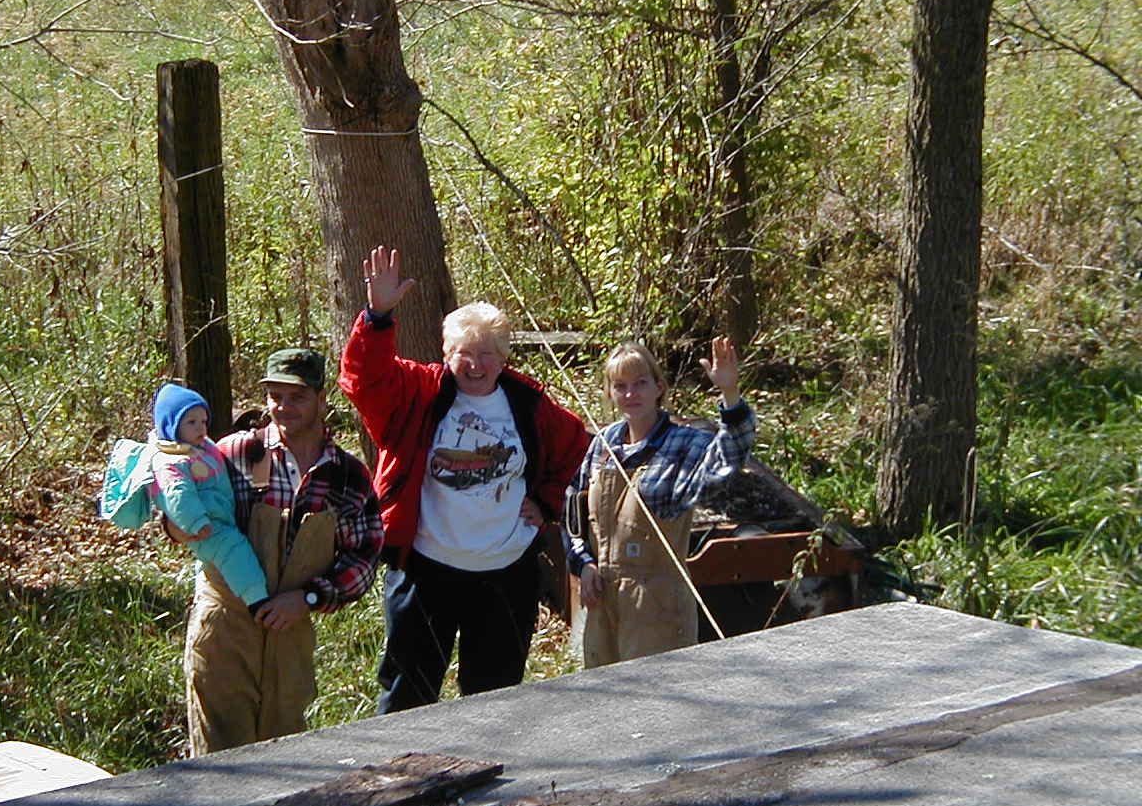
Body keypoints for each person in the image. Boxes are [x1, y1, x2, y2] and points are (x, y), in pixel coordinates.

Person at [339, 246, 589, 713]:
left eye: (486, 354)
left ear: (504, 357)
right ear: (445, 353)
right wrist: (377, 318)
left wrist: (546, 502)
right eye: (464, 353)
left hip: (506, 573)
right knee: (408, 695)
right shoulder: (418, 392)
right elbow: (363, 380)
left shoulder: (529, 405)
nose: (475, 365)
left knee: (493, 700)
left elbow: (578, 450)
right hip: (426, 569)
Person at [168, 348, 384, 755]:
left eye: (297, 397)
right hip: (225, 625)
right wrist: (174, 526)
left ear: (322, 400)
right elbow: (175, 498)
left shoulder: (346, 475)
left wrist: (309, 597)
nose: (284, 407)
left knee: (284, 754)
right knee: (220, 760)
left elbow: (364, 558)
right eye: (275, 396)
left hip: (291, 629)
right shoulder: (233, 453)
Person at [564, 339, 757, 669]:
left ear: (659, 387)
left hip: (659, 606)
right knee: (604, 696)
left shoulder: (684, 442)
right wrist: (582, 563)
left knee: (658, 698)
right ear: (609, 392)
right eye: (620, 386)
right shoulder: (603, 443)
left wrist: (730, 393)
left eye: (640, 383)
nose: (631, 394)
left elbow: (731, 455)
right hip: (602, 602)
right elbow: (573, 508)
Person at [100, 383, 269, 612]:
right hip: (205, 524)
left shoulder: (200, 447)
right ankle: (257, 600)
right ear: (172, 426)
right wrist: (196, 522)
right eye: (191, 422)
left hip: (219, 517)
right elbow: (178, 496)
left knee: (219, 560)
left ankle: (224, 599)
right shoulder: (170, 462)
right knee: (234, 551)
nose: (201, 428)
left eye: (204, 421)